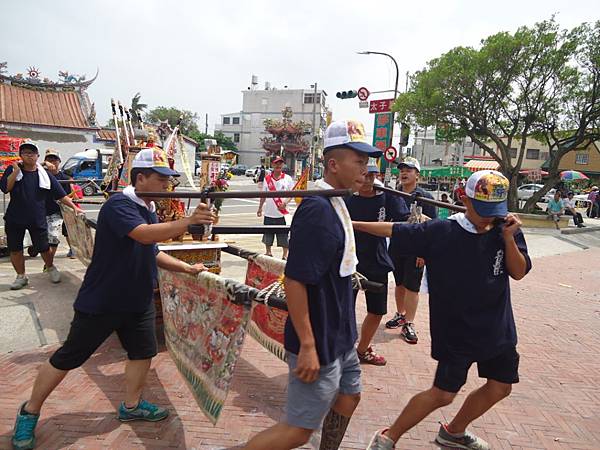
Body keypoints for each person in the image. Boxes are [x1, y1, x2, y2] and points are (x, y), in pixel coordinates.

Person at [11, 148, 216, 450]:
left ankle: (131, 406)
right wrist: (187, 222)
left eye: (169, 180)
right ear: (141, 177)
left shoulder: (148, 207)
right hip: (103, 301)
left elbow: (151, 251)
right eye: (161, 180)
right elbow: (144, 235)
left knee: (142, 354)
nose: (166, 186)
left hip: (138, 300)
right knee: (68, 358)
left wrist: (186, 267)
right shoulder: (119, 205)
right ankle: (29, 411)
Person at [356, 170, 531, 450]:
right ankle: (388, 437)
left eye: (494, 210)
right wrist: (349, 223)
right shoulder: (442, 231)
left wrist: (509, 238)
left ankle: (454, 432)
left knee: (500, 386)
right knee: (443, 394)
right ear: (465, 198)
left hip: (497, 328)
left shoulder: (505, 229)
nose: (489, 217)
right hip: (457, 330)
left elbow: (519, 272)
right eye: (483, 209)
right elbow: (393, 229)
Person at [244, 120, 382, 450]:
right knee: (298, 429)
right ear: (334, 164)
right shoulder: (318, 210)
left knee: (350, 396)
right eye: (359, 161)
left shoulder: (337, 201)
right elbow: (295, 280)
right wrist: (307, 345)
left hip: (342, 335)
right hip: (319, 338)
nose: (366, 169)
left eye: (367, 162)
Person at [345, 164, 409, 366]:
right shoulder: (346, 197)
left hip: (377, 260)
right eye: (364, 175)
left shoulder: (387, 196)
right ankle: (342, 350)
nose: (368, 180)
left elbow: (404, 220)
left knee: (378, 309)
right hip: (349, 259)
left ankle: (362, 349)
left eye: (372, 175)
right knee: (343, 307)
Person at [0, 141, 79, 290]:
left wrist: (74, 207)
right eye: (25, 153)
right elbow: (5, 188)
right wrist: (16, 171)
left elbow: (60, 195)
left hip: (37, 217)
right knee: (15, 249)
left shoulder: (44, 174)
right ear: (20, 155)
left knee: (44, 247)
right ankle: (21, 276)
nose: (29, 155)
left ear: (37, 156)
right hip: (15, 218)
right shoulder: (12, 169)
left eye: (32, 153)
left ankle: (50, 267)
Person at [386, 157, 437, 344]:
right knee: (399, 283)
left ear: (417, 174)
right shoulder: (393, 194)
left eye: (409, 170)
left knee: (412, 287)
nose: (404, 173)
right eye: (402, 170)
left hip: (416, 249)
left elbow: (433, 226)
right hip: (397, 245)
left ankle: (409, 323)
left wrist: (424, 252)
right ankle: (400, 314)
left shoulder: (425, 197)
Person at [257, 156, 294, 259]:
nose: (278, 165)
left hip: (282, 212)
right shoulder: (267, 179)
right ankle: (268, 252)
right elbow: (263, 195)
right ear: (272, 165)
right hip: (269, 212)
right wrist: (260, 208)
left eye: (280, 163)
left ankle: (285, 254)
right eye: (276, 163)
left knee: (283, 235)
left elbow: (291, 194)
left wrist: (285, 203)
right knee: (268, 234)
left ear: (283, 165)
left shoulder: (287, 179)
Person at [41, 149, 74, 261]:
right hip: (44, 210)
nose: (52, 162)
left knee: (64, 232)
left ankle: (50, 262)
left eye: (54, 160)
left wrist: (71, 207)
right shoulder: (41, 175)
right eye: (49, 160)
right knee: (45, 235)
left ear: (59, 161)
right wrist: (43, 164)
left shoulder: (64, 178)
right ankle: (47, 259)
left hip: (61, 209)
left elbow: (68, 195)